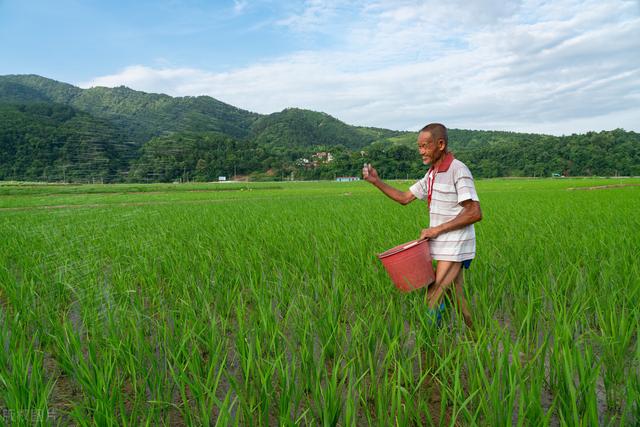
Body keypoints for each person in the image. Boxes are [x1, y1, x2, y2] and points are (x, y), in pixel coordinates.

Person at [362, 123, 482, 328]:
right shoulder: (432, 174)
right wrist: (376, 181)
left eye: (425, 146)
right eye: (419, 147)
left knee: (433, 294)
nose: (421, 152)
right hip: (443, 244)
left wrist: (436, 230)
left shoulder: (457, 170)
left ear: (441, 144)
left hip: (455, 244)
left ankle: (429, 343)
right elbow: (404, 198)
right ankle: (476, 337)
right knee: (455, 295)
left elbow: (474, 212)